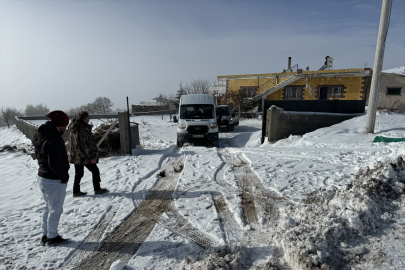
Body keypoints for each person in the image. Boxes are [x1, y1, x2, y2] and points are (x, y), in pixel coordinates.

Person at [33, 110, 70, 246]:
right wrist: (64, 176)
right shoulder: (54, 140)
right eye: (64, 127)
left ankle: (46, 234)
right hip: (53, 179)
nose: (64, 129)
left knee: (48, 207)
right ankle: (52, 237)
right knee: (56, 209)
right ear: (58, 126)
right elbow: (54, 163)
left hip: (42, 176)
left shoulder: (40, 134)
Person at [68, 111, 108, 197]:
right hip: (84, 156)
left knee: (78, 173)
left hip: (76, 155)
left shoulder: (74, 128)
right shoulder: (82, 129)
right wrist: (92, 157)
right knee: (95, 171)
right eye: (88, 117)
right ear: (85, 118)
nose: (89, 118)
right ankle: (97, 189)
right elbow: (86, 145)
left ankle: (76, 191)